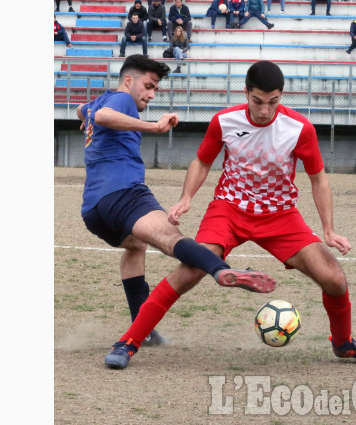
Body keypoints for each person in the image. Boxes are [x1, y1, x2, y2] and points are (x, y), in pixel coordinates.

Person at [104, 60, 356, 370]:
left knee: (334, 278)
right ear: (246, 93)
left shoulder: (300, 128)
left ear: (281, 96)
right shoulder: (224, 120)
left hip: (280, 215)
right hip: (228, 209)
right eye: (257, 101)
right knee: (190, 271)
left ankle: (344, 345)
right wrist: (186, 198)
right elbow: (202, 161)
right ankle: (129, 341)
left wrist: (328, 230)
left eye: (273, 102)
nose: (265, 110)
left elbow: (318, 178)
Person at [75, 55, 276, 359]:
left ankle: (145, 329)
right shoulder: (121, 99)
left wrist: (83, 117)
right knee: (171, 240)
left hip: (94, 210)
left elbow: (87, 111)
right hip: (124, 193)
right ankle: (222, 271)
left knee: (135, 247)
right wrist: (153, 127)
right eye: (148, 85)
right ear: (128, 80)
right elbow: (103, 117)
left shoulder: (100, 99)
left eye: (155, 89)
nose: (151, 94)